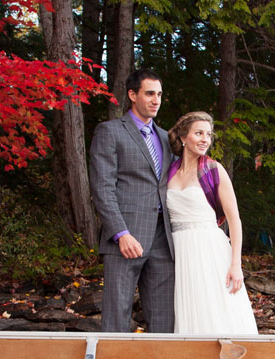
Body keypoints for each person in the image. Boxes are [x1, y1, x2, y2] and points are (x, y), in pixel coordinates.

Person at [89, 68, 176, 333]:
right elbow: (102, 187)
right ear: (132, 95)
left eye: (159, 94)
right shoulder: (110, 131)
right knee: (117, 315)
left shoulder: (165, 138)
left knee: (164, 319)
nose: (156, 100)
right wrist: (120, 233)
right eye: (149, 93)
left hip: (163, 238)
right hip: (126, 238)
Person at [165, 111, 258, 335]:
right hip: (178, 252)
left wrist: (236, 264)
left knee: (217, 308)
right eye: (199, 133)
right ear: (183, 137)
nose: (205, 139)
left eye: (208, 134)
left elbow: (234, 220)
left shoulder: (214, 170)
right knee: (188, 308)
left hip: (209, 250)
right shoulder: (170, 172)